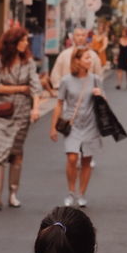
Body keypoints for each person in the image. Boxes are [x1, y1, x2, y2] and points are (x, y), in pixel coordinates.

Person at [0, 24, 43, 211]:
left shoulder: (29, 62)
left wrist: (35, 109)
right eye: (23, 40)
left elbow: (35, 87)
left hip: (21, 113)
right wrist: (20, 89)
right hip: (1, 112)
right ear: (13, 42)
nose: (26, 43)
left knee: (16, 152)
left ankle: (12, 194)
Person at [51, 48, 104, 207]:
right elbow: (59, 103)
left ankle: (82, 193)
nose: (91, 61)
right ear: (77, 61)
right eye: (87, 58)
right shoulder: (66, 81)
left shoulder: (95, 80)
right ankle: (71, 191)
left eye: (91, 58)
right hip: (72, 125)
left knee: (87, 160)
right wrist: (53, 127)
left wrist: (99, 94)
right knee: (72, 158)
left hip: (90, 124)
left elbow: (104, 102)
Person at [49, 26, 102, 90]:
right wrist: (60, 88)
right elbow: (56, 74)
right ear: (73, 38)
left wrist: (96, 89)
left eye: (83, 35)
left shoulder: (93, 55)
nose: (80, 38)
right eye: (78, 35)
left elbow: (99, 75)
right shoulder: (64, 54)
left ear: (87, 37)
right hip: (68, 93)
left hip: (87, 92)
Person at [114, 26, 127, 90]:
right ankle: (119, 84)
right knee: (119, 69)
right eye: (123, 32)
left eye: (124, 32)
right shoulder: (120, 40)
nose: (123, 33)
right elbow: (118, 49)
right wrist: (116, 57)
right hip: (121, 56)